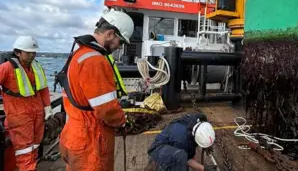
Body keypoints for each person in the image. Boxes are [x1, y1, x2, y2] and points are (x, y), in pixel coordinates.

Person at [58, 10, 134, 171]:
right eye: (120, 42)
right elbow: (106, 109)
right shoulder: (95, 61)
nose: (119, 47)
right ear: (110, 34)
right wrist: (122, 120)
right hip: (91, 140)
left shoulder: (79, 54)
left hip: (73, 133)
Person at [0, 36, 52, 171]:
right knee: (24, 149)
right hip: (19, 115)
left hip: (37, 113)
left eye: (34, 52)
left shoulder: (37, 67)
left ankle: (31, 166)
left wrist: (47, 107)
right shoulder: (6, 68)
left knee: (35, 144)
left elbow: (44, 88)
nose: (32, 55)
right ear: (18, 52)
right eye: (28, 52)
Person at [147, 112, 217, 171]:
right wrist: (203, 168)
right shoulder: (181, 140)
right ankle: (158, 166)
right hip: (157, 149)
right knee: (181, 158)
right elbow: (187, 159)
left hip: (175, 138)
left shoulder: (201, 119)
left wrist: (207, 145)